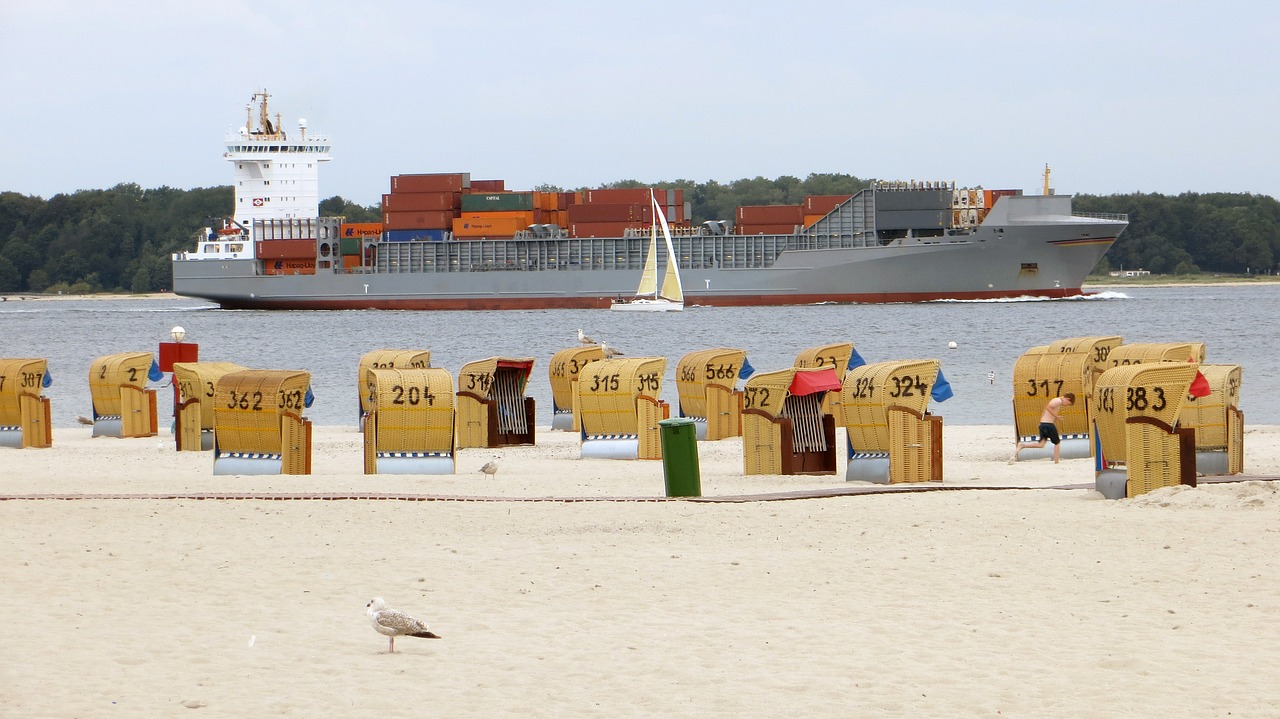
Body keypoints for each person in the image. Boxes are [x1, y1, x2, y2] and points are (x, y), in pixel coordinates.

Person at [1011, 392, 1075, 464]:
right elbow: (1047, 407)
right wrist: (1056, 416)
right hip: (1048, 424)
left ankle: (1022, 445)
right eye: (1068, 404)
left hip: (1044, 424)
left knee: (1041, 444)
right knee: (1057, 442)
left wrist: (1041, 422)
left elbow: (1046, 410)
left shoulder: (1057, 402)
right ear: (1068, 399)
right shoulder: (1058, 401)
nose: (1066, 405)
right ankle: (1056, 462)